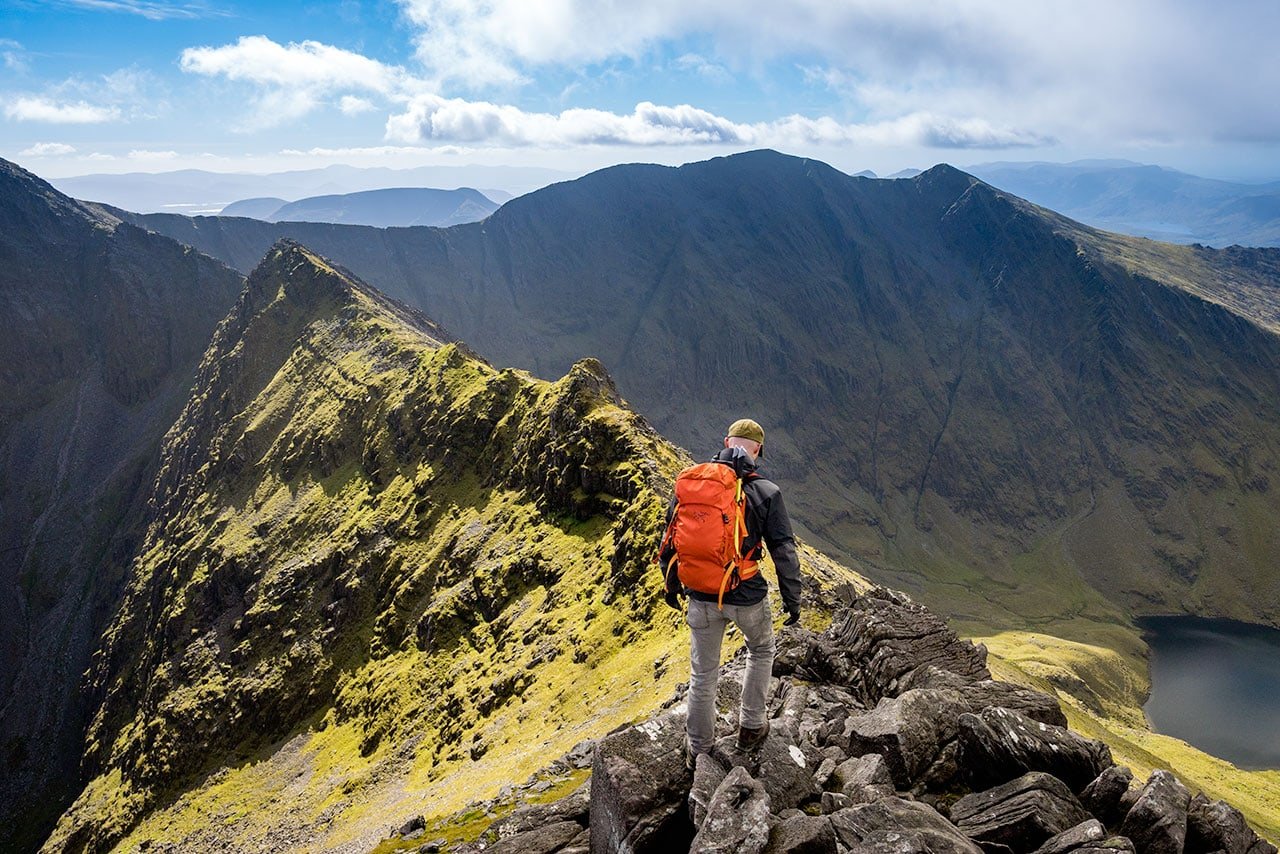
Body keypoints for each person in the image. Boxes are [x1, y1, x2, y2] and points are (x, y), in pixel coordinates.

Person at [657, 418, 803, 764]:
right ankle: (752, 725)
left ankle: (698, 749)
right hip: (747, 594)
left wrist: (671, 583)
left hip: (700, 593)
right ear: (758, 450)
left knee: (703, 674)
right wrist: (792, 600)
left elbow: (669, 540)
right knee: (762, 649)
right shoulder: (766, 491)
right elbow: (784, 550)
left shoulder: (690, 485)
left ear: (725, 442)